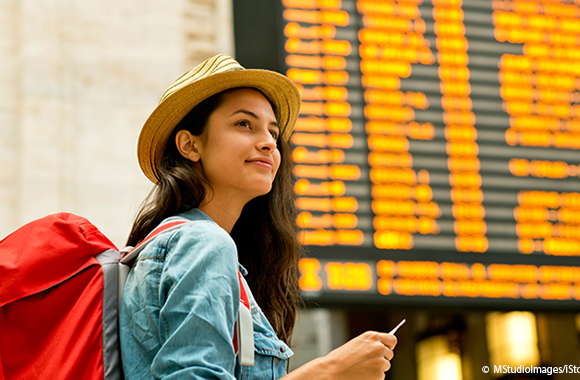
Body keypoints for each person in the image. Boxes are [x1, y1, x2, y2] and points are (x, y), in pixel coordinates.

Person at [120, 54, 397, 380]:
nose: (268, 143)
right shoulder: (203, 242)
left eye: (273, 133)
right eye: (244, 124)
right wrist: (330, 370)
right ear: (189, 145)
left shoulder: (180, 244)